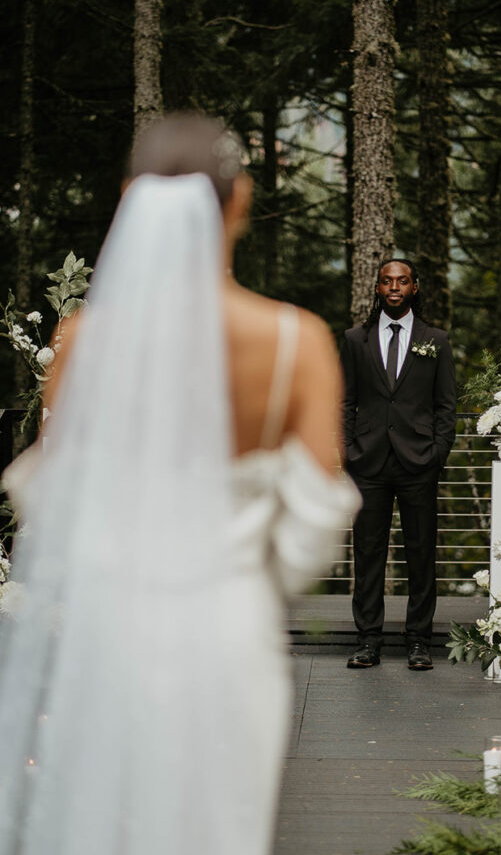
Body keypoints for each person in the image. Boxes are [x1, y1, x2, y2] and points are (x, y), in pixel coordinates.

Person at [0, 112, 360, 855]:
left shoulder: (82, 340)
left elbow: (48, 499)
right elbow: (312, 536)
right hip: (227, 637)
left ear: (132, 199)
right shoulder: (297, 342)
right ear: (241, 200)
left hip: (109, 639)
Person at [341, 259, 457, 670]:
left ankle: (418, 641)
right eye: (387, 281)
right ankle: (368, 640)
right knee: (368, 553)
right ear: (377, 289)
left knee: (421, 553)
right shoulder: (356, 340)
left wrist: (437, 453)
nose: (394, 287)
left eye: (402, 281)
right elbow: (346, 400)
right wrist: (347, 450)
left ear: (415, 288)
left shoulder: (436, 340)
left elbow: (446, 404)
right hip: (368, 463)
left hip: (418, 463)